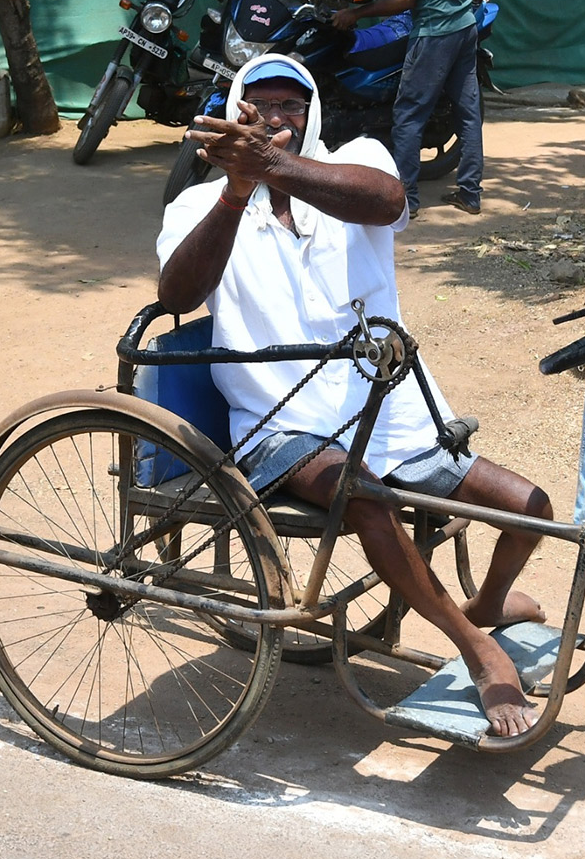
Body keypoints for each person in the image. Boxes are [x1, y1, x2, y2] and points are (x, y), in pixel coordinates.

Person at [157, 54, 550, 737]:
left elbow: (388, 201)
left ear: (310, 112)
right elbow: (177, 295)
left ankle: (486, 603)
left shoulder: (354, 161)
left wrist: (275, 168)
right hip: (276, 424)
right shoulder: (197, 202)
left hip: (386, 411)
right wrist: (235, 190)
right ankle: (477, 650)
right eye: (261, 104)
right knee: (362, 498)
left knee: (531, 510)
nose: (278, 118)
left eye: (292, 105)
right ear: (235, 108)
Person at [331, 0, 491, 217]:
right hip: (465, 28)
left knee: (409, 115)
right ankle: (470, 195)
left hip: (434, 33)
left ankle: (407, 200)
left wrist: (356, 14)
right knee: (468, 114)